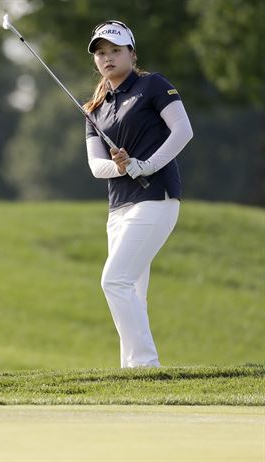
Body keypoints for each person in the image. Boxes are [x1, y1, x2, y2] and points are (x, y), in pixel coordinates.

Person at [83, 20, 193, 368]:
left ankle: (145, 364)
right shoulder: (95, 108)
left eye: (115, 51)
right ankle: (131, 371)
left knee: (113, 280)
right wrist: (120, 167)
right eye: (101, 53)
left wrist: (145, 165)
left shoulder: (152, 85)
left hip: (156, 198)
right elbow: (95, 167)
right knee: (131, 291)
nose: (108, 58)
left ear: (131, 53)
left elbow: (183, 131)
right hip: (118, 208)